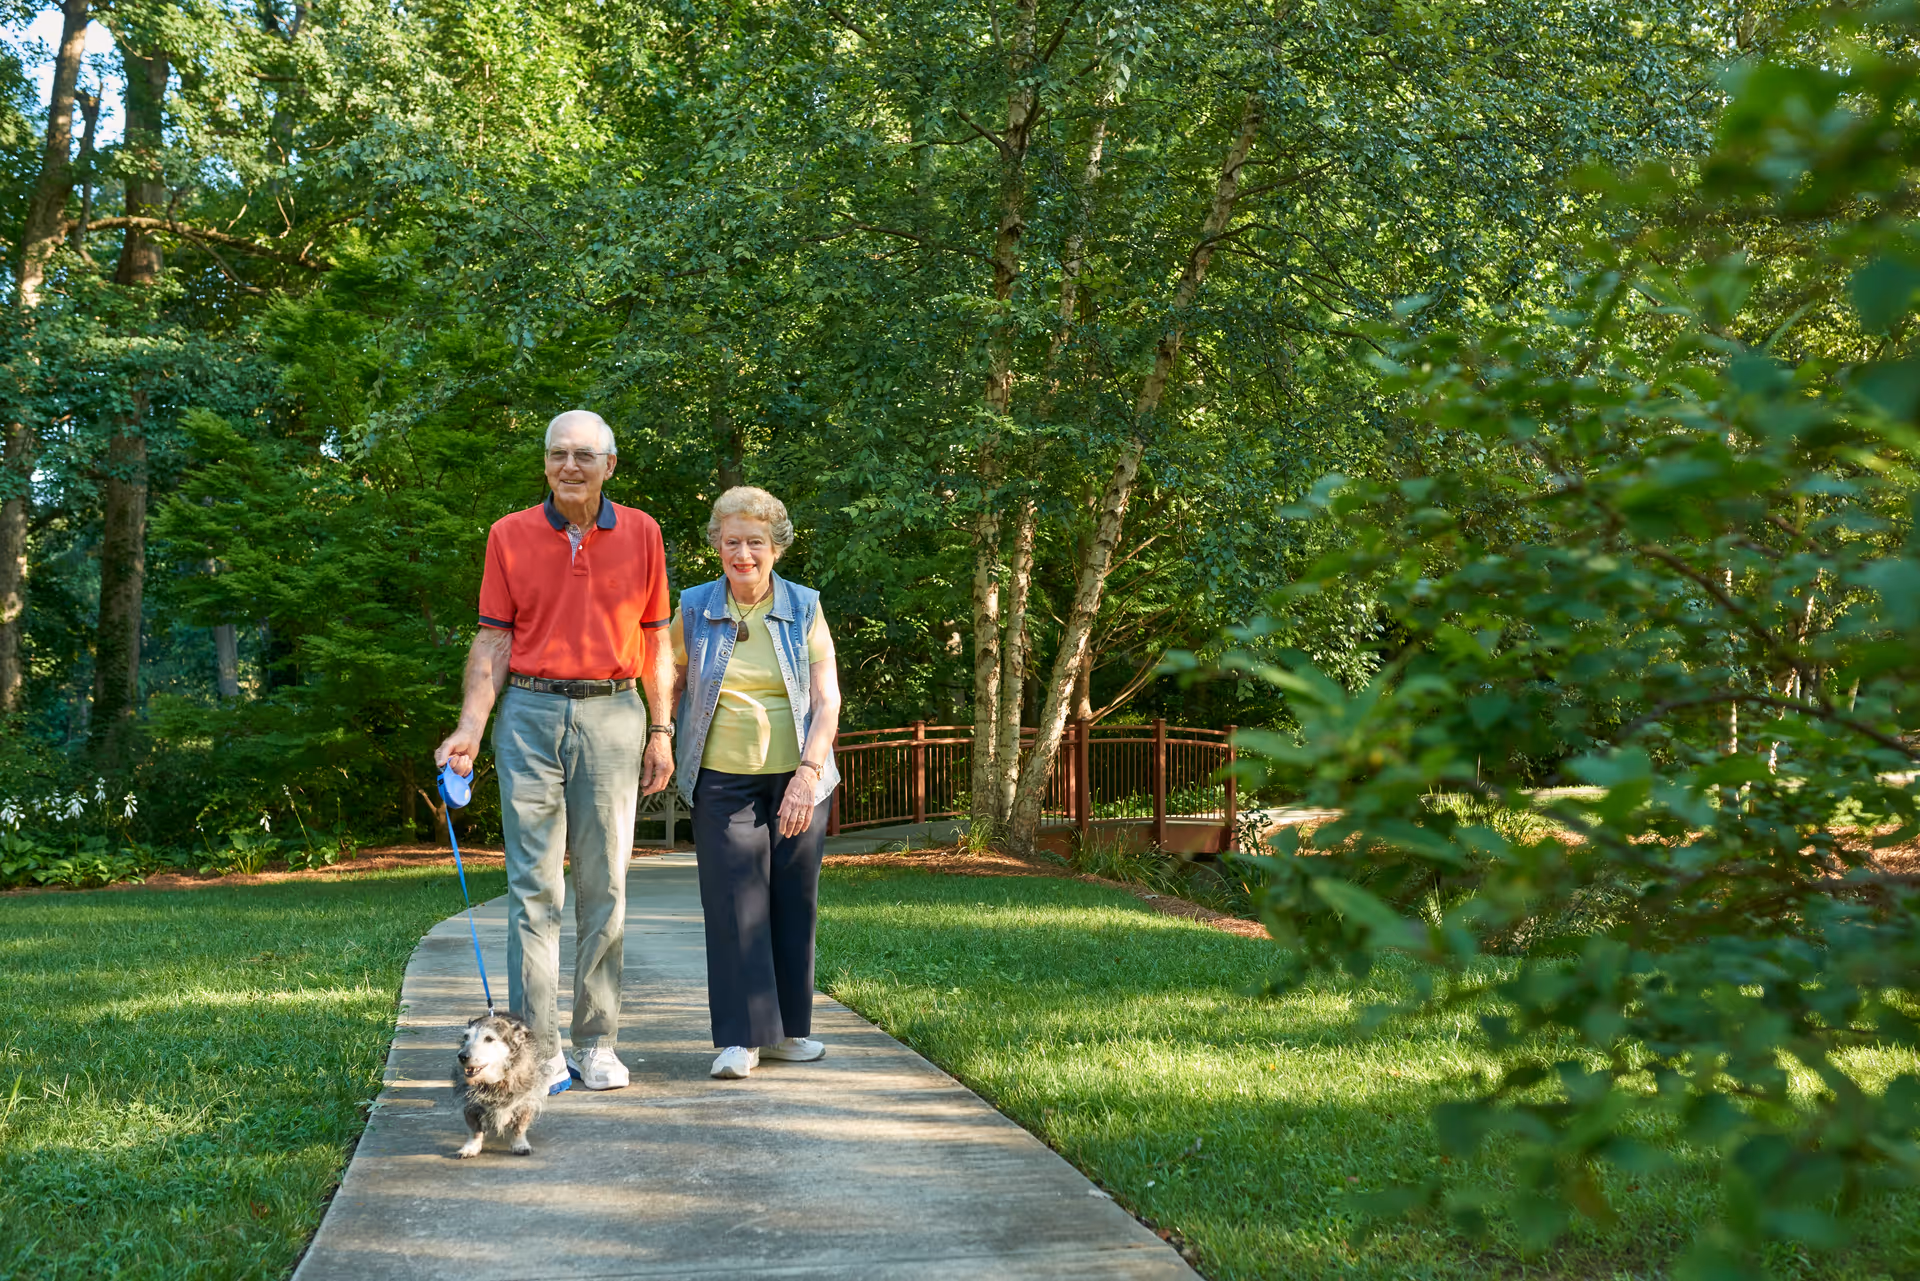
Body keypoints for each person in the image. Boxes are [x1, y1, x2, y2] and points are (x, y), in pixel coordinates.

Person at [435, 409, 676, 1095]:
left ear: (610, 465)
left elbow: (657, 640)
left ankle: (598, 1042)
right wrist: (469, 729)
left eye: (584, 455)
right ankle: (535, 1054)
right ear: (544, 463)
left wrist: (661, 727)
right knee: (533, 891)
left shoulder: (643, 532)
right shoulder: (508, 535)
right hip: (530, 715)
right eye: (557, 454)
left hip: (614, 711)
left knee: (605, 887)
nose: (569, 466)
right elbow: (493, 642)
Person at [671, 486, 841, 1079]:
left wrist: (808, 774)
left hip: (800, 777)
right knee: (735, 904)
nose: (743, 554)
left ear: (777, 548)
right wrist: (657, 735)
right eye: (732, 541)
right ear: (717, 544)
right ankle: (743, 1038)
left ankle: (789, 1033)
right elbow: (668, 677)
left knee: (794, 902)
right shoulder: (693, 607)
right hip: (722, 779)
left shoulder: (804, 606)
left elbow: (827, 699)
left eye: (756, 543)